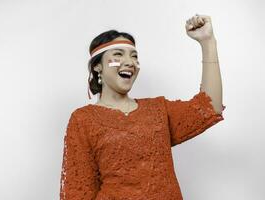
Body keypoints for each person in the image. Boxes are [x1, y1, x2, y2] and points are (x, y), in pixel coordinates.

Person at [60, 14, 226, 200]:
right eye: (118, 54)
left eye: (134, 56)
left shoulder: (158, 110)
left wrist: (208, 42)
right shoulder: (83, 120)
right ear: (98, 66)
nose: (130, 62)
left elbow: (210, 108)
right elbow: (77, 192)